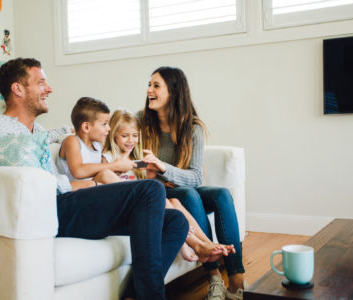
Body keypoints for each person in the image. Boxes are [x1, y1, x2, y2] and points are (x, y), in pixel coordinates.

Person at [0, 58, 189, 300]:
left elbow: (48, 159)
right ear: (18, 89)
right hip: (48, 210)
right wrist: (78, 184)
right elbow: (22, 183)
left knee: (175, 222)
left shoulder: (36, 132)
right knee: (150, 190)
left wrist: (77, 181)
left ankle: (134, 295)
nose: (49, 89)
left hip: (66, 201)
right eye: (41, 82)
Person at [139, 66, 247, 300]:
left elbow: (196, 177)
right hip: (158, 193)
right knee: (188, 195)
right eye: (149, 85)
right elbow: (124, 145)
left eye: (156, 86)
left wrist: (163, 167)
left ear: (174, 92)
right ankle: (214, 277)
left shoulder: (193, 128)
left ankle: (237, 279)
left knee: (221, 194)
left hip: (186, 188)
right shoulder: (141, 123)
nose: (149, 90)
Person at [102, 109, 235, 263]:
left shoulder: (137, 159)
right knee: (165, 202)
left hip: (141, 202)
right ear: (113, 135)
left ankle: (207, 243)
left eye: (135, 136)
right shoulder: (109, 157)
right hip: (126, 205)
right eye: (124, 136)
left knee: (175, 203)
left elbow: (149, 181)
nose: (130, 140)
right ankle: (197, 246)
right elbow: (104, 183)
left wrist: (164, 181)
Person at [56, 97, 134, 185]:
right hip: (73, 193)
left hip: (94, 190)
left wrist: (117, 169)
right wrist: (114, 165)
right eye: (104, 124)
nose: (109, 128)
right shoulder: (72, 141)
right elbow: (78, 171)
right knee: (105, 175)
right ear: (86, 127)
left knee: (108, 174)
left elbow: (98, 171)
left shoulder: (98, 145)